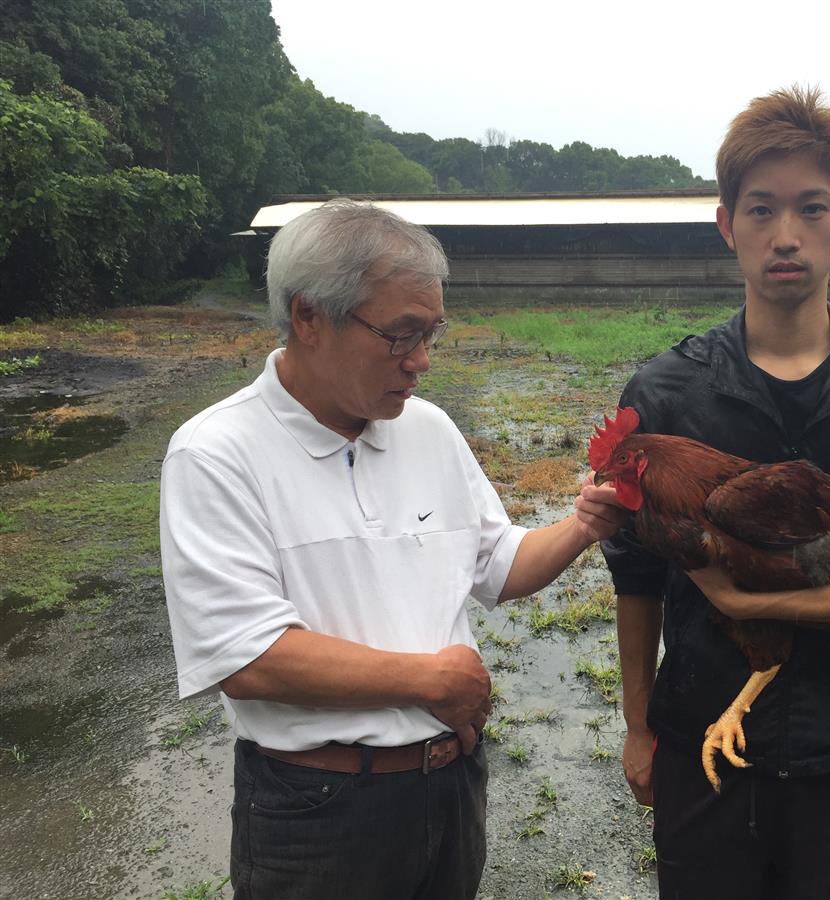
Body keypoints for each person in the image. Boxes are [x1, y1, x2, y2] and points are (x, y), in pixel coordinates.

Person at [159, 199, 628, 900]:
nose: (422, 362)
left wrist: (584, 525)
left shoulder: (429, 430)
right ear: (308, 315)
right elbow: (246, 656)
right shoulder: (217, 453)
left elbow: (498, 566)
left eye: (431, 333)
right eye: (400, 334)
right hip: (318, 810)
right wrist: (429, 682)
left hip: (449, 786)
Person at [602, 86, 830, 900]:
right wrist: (637, 725)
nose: (785, 235)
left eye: (810, 209)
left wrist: (758, 601)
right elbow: (635, 578)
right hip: (700, 734)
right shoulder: (666, 393)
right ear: (726, 223)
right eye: (762, 209)